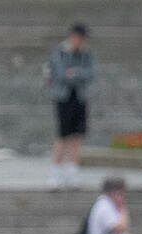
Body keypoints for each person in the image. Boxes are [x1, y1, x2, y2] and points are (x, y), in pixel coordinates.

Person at [47, 24, 95, 190]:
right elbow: (60, 74)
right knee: (63, 135)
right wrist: (78, 74)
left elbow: (91, 74)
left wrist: (74, 73)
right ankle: (55, 173)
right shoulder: (61, 52)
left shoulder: (86, 54)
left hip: (80, 97)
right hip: (64, 98)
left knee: (77, 136)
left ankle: (72, 173)